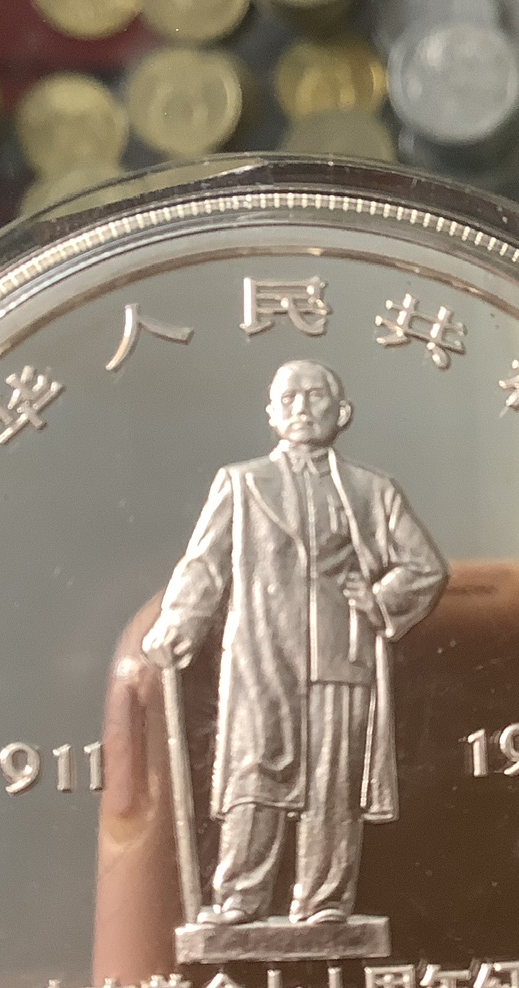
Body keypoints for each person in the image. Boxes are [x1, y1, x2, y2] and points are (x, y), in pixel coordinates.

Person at [141, 359, 448, 926]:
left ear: (342, 412)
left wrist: (377, 599)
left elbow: (424, 567)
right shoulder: (241, 483)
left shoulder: (373, 490)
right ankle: (239, 897)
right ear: (271, 413)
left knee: (333, 781)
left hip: (341, 652)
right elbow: (205, 564)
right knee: (254, 770)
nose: (302, 407)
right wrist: (179, 622)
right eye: (289, 398)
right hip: (262, 651)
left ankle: (325, 900)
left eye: (314, 396)